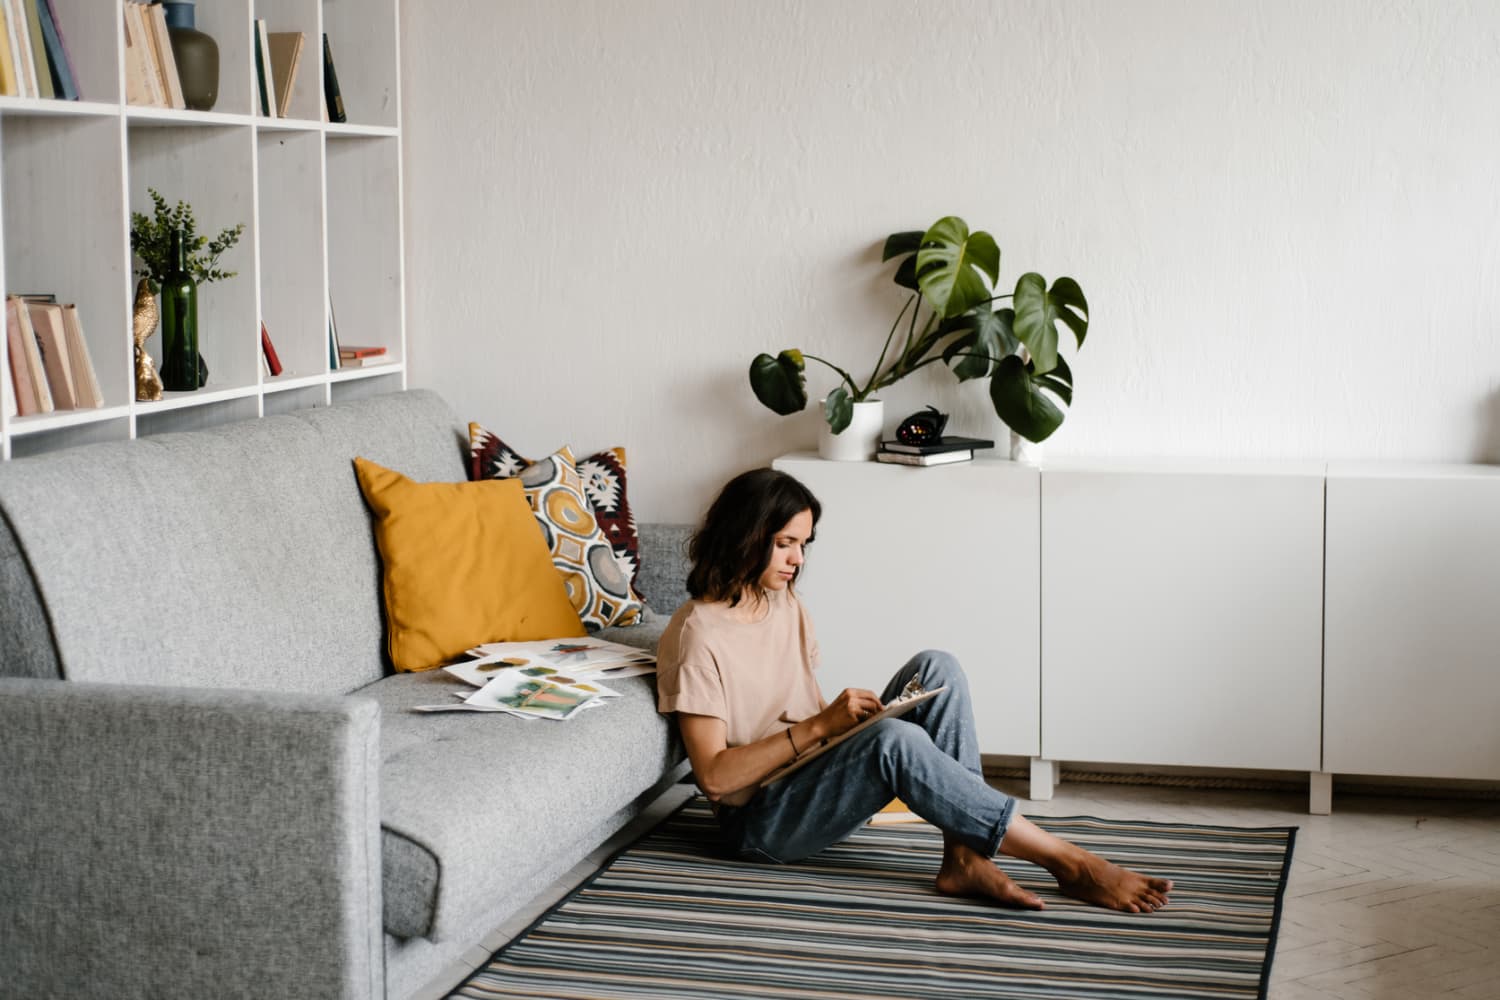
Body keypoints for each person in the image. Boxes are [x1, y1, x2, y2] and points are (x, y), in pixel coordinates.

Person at [656, 468, 1173, 913]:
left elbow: (797, 709)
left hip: (807, 778)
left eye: (804, 545)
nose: (797, 561)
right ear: (744, 536)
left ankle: (965, 859)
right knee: (893, 744)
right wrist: (822, 727)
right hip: (759, 823)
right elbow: (717, 779)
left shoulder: (783, 601)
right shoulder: (697, 633)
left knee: (937, 669)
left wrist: (841, 727)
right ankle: (1071, 862)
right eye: (785, 544)